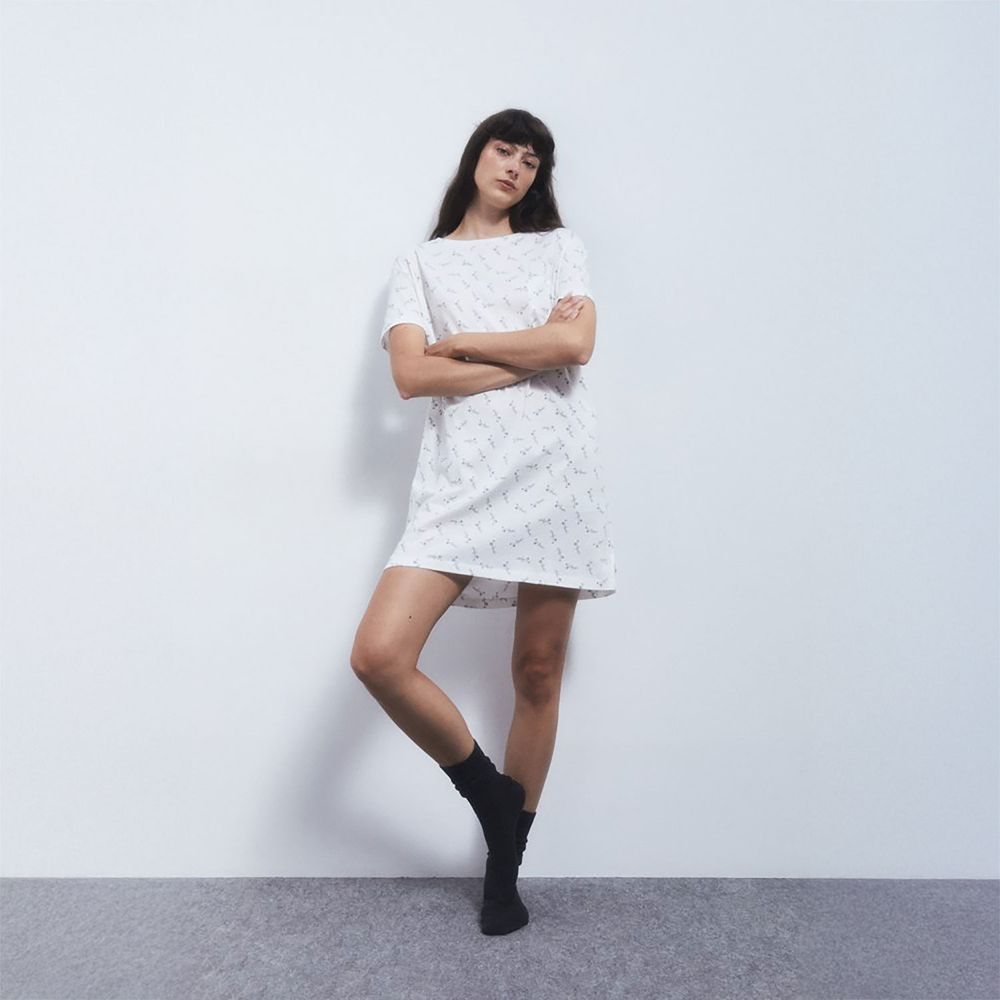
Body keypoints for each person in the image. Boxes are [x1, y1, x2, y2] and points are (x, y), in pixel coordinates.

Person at [351, 108, 617, 936]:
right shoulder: (420, 263)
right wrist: (527, 350)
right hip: (459, 484)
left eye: (532, 160)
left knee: (536, 673)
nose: (516, 167)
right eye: (505, 150)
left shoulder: (559, 247)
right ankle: (491, 797)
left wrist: (464, 343)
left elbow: (576, 347)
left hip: (553, 475)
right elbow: (409, 375)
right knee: (379, 656)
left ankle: (506, 868)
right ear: (477, 156)